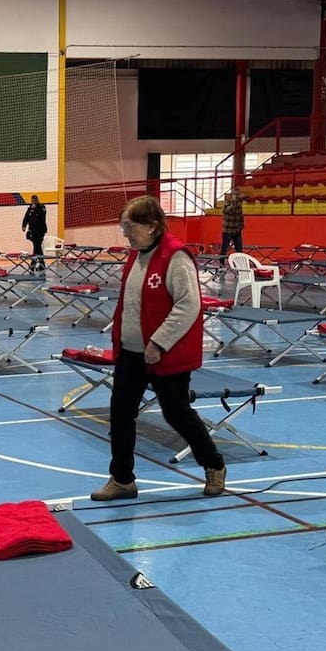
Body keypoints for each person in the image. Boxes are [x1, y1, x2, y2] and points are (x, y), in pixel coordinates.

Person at [91, 195, 226, 501]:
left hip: (164, 354)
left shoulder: (175, 257)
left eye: (129, 226)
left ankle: (214, 464)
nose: (125, 233)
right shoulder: (135, 255)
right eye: (123, 226)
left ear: (152, 226)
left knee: (176, 413)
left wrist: (158, 342)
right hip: (130, 353)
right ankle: (122, 479)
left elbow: (189, 305)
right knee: (120, 415)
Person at [21, 194, 47, 271]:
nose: (34, 201)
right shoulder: (30, 208)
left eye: (35, 200)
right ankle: (41, 264)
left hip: (40, 231)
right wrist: (24, 226)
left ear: (37, 200)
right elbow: (26, 217)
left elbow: (42, 215)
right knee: (37, 247)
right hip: (32, 230)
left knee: (37, 246)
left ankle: (34, 263)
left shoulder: (42, 207)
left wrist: (35, 209)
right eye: (32, 200)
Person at [220, 189, 244, 258]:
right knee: (224, 249)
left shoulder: (239, 205)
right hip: (228, 231)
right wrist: (235, 201)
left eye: (237, 195)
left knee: (239, 250)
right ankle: (221, 263)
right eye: (235, 195)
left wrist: (241, 226)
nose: (237, 196)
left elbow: (240, 216)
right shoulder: (226, 204)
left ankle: (240, 263)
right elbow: (231, 210)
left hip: (237, 230)